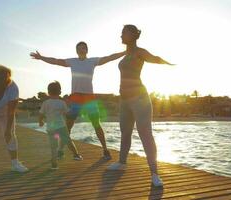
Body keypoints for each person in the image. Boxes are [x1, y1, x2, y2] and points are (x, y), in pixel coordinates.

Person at [30, 42, 125, 160]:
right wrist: (41, 58)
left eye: (84, 47)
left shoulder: (92, 61)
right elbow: (56, 61)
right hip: (75, 98)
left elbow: (109, 58)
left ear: (87, 50)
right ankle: (60, 150)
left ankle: (105, 149)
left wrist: (125, 52)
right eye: (79, 48)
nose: (82, 49)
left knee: (96, 124)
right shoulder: (72, 61)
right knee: (68, 126)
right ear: (76, 50)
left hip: (89, 98)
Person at [107, 25, 174, 187]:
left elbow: (155, 58)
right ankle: (122, 162)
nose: (121, 35)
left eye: (124, 32)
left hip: (139, 99)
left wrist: (170, 64)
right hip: (124, 100)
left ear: (133, 35)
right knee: (125, 132)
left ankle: (155, 174)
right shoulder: (125, 54)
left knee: (145, 134)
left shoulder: (139, 52)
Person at [39, 81, 73, 169]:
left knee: (53, 145)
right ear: (60, 92)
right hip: (61, 127)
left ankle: (54, 163)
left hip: (51, 128)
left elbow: (41, 114)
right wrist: (69, 106)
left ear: (48, 92)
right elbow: (67, 113)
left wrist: (40, 121)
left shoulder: (45, 103)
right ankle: (74, 154)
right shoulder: (62, 103)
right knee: (66, 139)